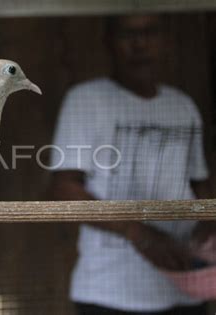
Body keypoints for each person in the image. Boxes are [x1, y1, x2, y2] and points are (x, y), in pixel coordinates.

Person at [50, 15, 213, 315]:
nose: (140, 44)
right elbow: (64, 189)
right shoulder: (86, 100)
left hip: (184, 287)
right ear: (108, 43)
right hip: (108, 292)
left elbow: (199, 183)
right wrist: (137, 233)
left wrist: (207, 229)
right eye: (128, 35)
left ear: (166, 41)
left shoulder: (182, 106)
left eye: (150, 33)